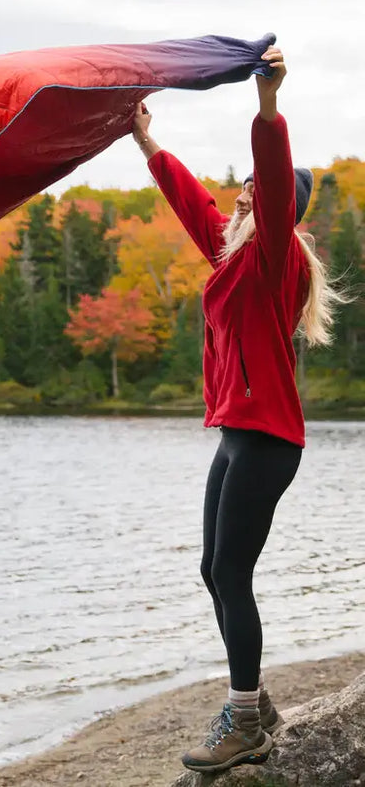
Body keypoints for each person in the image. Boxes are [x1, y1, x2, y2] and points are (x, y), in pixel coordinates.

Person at [131, 46, 342, 773]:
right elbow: (192, 201)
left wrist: (269, 106)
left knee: (231, 570)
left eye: (257, 185)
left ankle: (245, 718)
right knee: (211, 570)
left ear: (280, 202)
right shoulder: (231, 257)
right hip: (236, 436)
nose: (246, 190)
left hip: (269, 440)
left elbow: (279, 185)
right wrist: (145, 139)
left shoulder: (276, 254)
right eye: (246, 185)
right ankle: (256, 700)